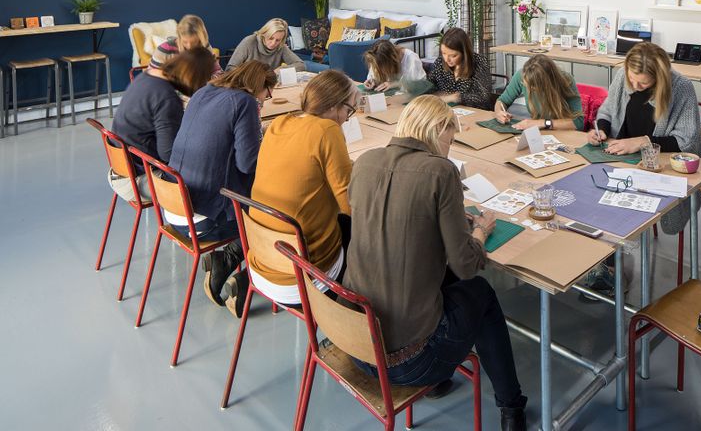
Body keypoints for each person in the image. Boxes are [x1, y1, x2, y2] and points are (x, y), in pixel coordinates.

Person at [344, 95, 528, 430]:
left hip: (355, 343)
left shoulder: (365, 162)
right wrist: (480, 232)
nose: (449, 148)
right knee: (481, 292)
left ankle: (443, 384)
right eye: (449, 139)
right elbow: (467, 266)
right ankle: (511, 407)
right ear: (435, 129)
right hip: (410, 363)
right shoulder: (440, 171)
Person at [582, 41, 701, 298]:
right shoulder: (624, 75)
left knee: (627, 205)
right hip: (622, 157)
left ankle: (618, 273)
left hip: (662, 166)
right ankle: (606, 263)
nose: (635, 87)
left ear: (658, 78)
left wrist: (642, 142)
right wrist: (601, 129)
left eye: (643, 84)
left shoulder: (680, 87)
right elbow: (607, 111)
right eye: (632, 80)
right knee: (590, 189)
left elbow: (686, 141)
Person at [244, 70, 359, 316]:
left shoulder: (279, 123)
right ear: (335, 105)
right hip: (302, 274)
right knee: (364, 233)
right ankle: (353, 325)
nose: (348, 119)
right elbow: (350, 204)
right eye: (349, 110)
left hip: (260, 260)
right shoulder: (327, 130)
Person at [166, 60, 277, 310]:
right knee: (277, 220)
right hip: (204, 221)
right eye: (268, 89)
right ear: (257, 85)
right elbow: (249, 164)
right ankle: (235, 270)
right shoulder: (245, 102)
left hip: (174, 207)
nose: (269, 95)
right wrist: (269, 142)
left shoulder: (204, 91)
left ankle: (230, 264)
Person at [110, 48, 217, 202]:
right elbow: (168, 154)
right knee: (214, 177)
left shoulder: (147, 76)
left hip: (121, 170)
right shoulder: (166, 96)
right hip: (138, 181)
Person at [494, 54, 584, 130]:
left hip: (563, 132)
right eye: (526, 84)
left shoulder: (566, 81)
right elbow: (502, 101)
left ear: (547, 84)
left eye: (533, 87)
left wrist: (541, 123)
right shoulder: (522, 76)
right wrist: (499, 112)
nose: (528, 88)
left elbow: (578, 123)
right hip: (540, 133)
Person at [426, 27, 493, 110]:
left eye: (453, 56)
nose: (446, 59)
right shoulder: (440, 62)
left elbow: (484, 98)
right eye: (444, 53)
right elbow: (428, 87)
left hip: (475, 113)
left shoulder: (479, 62)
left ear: (464, 53)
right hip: (447, 111)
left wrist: (457, 97)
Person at [149, 13, 222, 75]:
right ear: (179, 36)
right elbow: (151, 78)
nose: (189, 47)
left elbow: (216, 71)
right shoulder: (164, 50)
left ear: (201, 39)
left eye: (194, 42)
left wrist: (216, 78)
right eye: (185, 42)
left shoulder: (204, 46)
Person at [226, 17, 306, 72]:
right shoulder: (249, 41)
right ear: (264, 33)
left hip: (268, 87)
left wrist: (281, 70)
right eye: (271, 38)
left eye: (278, 40)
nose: (273, 43)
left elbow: (301, 65)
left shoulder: (281, 46)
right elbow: (230, 68)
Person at [362, 39, 427, 92]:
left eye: (382, 68)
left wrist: (396, 84)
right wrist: (372, 81)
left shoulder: (411, 58)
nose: (381, 71)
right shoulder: (376, 57)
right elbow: (373, 75)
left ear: (391, 61)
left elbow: (421, 85)